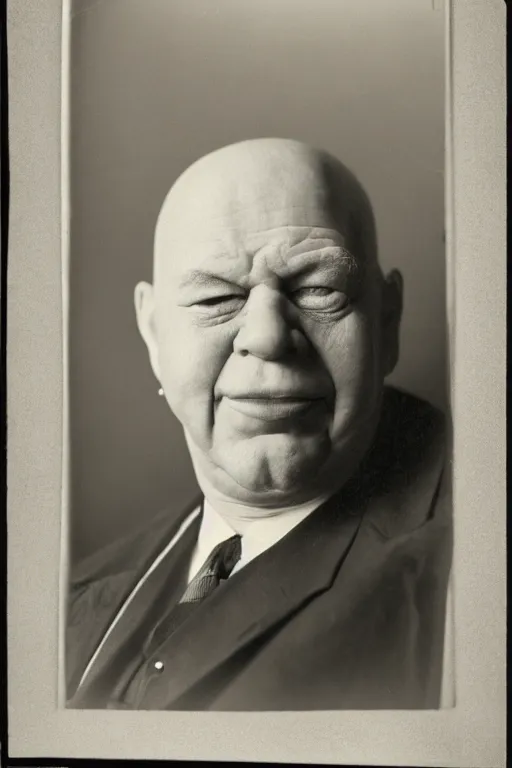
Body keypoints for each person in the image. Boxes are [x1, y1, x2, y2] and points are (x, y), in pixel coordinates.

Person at [65, 138, 452, 711]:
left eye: (319, 289)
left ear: (388, 321)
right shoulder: (69, 599)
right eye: (216, 297)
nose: (268, 338)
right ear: (153, 336)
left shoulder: (471, 575)